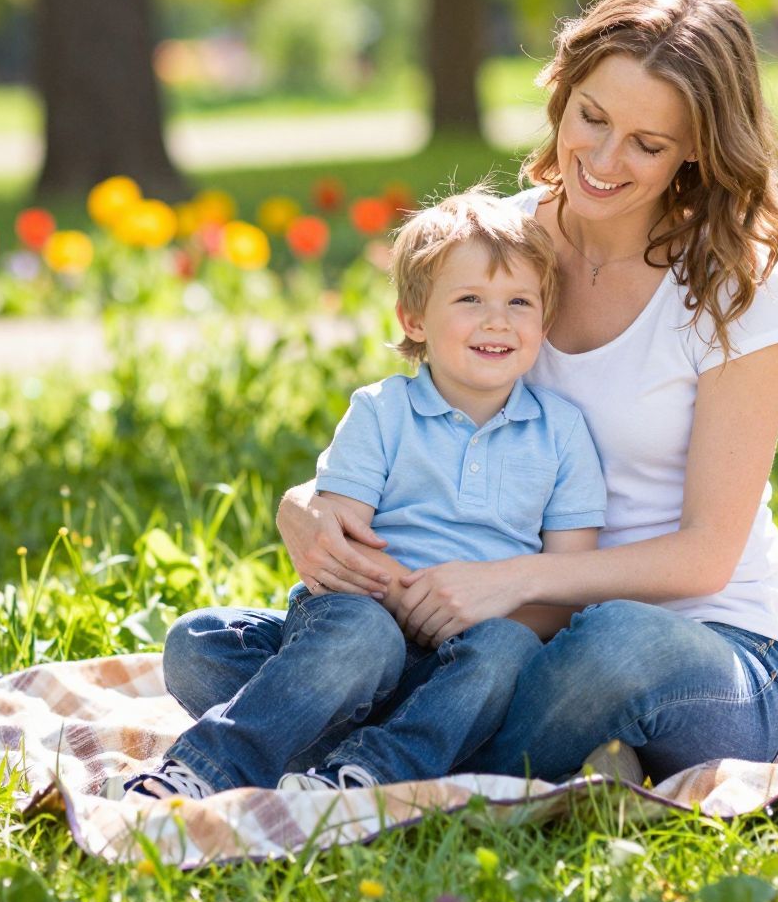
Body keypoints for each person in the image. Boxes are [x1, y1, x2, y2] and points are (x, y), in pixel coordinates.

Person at [270, 0, 778, 788]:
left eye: (648, 144)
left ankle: (390, 752)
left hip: (695, 648)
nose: (602, 159)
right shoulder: (500, 246)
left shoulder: (735, 283)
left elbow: (706, 556)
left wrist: (516, 580)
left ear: (698, 147)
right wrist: (304, 509)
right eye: (592, 117)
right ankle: (484, 745)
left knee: (611, 645)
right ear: (563, 92)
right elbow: (417, 421)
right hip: (504, 637)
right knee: (207, 649)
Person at [126, 188, 606, 801]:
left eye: (520, 301)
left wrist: (478, 610)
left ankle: (366, 769)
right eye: (469, 300)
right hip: (361, 623)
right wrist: (411, 600)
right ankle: (210, 767)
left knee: (508, 650)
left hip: (469, 653)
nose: (497, 321)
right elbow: (339, 546)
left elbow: (568, 588)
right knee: (202, 643)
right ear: (413, 319)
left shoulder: (562, 432)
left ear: (544, 318)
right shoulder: (382, 412)